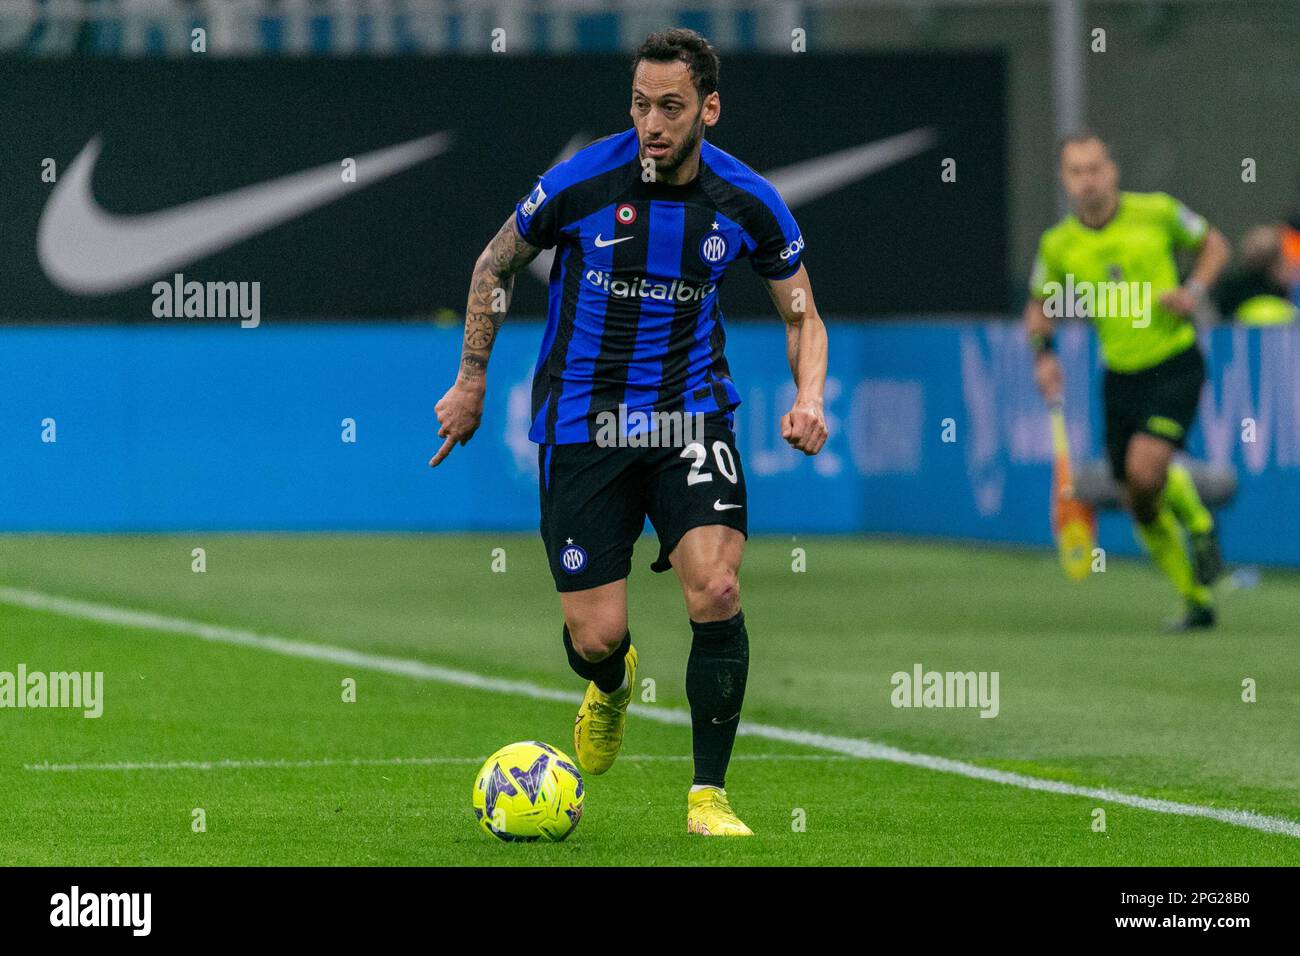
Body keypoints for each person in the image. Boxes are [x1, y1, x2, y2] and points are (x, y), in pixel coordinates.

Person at [430, 28, 829, 834]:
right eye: (641, 104)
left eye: (672, 107)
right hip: (584, 424)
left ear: (708, 109)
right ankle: (610, 683)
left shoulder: (747, 199)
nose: (653, 122)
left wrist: (810, 392)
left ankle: (707, 796)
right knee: (595, 632)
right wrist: (471, 380)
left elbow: (802, 312)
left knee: (716, 587)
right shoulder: (582, 181)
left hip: (691, 415)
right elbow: (493, 265)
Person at [1026, 131, 1230, 631]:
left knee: (1144, 471)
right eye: (1076, 171)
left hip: (1173, 364)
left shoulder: (1157, 212)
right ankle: (1196, 599)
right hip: (1119, 378)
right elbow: (1039, 305)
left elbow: (1215, 245)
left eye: (1095, 168)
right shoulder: (1059, 245)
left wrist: (1194, 291)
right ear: (1065, 180)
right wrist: (1044, 356)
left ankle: (1200, 523)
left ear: (1112, 171)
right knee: (1138, 501)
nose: (1088, 180)